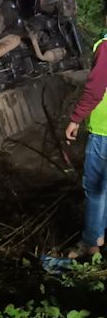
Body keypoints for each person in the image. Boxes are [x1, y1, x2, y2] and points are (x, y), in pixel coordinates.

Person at [65, 37, 107, 258]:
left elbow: (95, 90)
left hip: (104, 132)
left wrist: (75, 118)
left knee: (95, 189)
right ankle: (99, 235)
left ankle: (91, 245)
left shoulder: (106, 47)